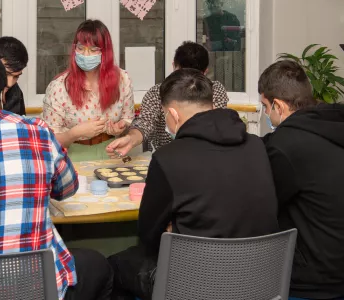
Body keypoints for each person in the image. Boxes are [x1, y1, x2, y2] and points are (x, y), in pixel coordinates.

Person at [0, 51, 113, 300]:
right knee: (100, 269)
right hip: (36, 287)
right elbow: (67, 188)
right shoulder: (37, 132)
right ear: (2, 93)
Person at [108, 69, 278, 300]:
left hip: (193, 283)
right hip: (257, 279)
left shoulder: (168, 157)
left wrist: (172, 229)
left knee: (112, 267)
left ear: (173, 114)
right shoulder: (257, 146)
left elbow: (148, 234)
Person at [260, 60, 344, 299]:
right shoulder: (343, 129)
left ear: (278, 106)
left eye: (265, 106)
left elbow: (264, 207)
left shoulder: (285, 145)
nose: (265, 114)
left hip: (327, 280)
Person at [105, 41, 229, 156]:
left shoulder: (215, 90)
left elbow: (218, 127)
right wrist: (130, 139)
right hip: (165, 157)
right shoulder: (157, 92)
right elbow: (144, 124)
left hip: (206, 156)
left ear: (174, 65)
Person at [42, 19, 134, 161]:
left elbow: (128, 120)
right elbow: (49, 141)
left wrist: (120, 127)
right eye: (80, 48)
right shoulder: (59, 87)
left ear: (105, 52)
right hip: (73, 155)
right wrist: (74, 134)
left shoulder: (122, 80)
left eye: (93, 50)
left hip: (112, 152)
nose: (86, 55)